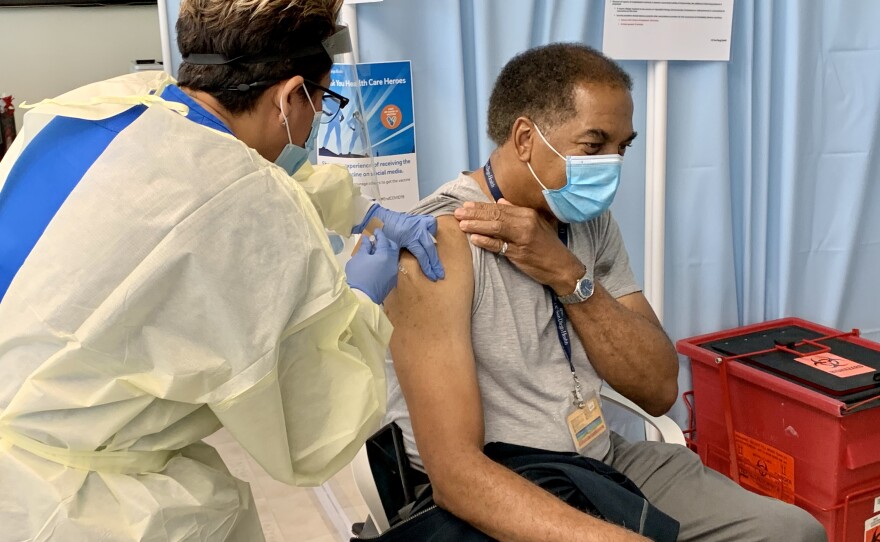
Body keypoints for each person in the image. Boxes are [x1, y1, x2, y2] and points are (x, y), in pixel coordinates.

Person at [0, 0, 443, 540]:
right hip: (78, 507)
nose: (310, 129)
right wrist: (361, 305)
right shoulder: (244, 203)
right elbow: (308, 436)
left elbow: (192, 190)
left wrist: (364, 211)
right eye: (322, 101)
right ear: (289, 96)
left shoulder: (106, 106)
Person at [383, 43, 827, 541]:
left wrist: (570, 277)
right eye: (594, 146)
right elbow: (457, 478)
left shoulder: (589, 224)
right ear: (526, 138)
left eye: (623, 147)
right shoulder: (440, 240)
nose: (612, 165)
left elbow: (657, 389)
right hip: (507, 480)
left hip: (601, 459)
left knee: (792, 532)